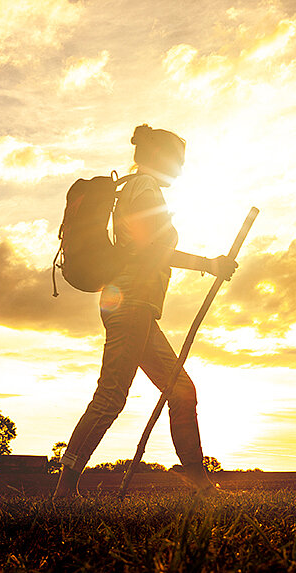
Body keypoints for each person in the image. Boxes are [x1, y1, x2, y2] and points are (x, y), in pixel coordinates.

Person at [53, 124, 237, 498]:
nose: (182, 170)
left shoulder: (135, 188)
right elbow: (152, 248)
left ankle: (199, 482)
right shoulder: (144, 188)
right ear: (159, 158)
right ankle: (65, 488)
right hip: (130, 303)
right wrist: (209, 263)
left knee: (182, 391)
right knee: (111, 396)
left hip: (137, 305)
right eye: (178, 161)